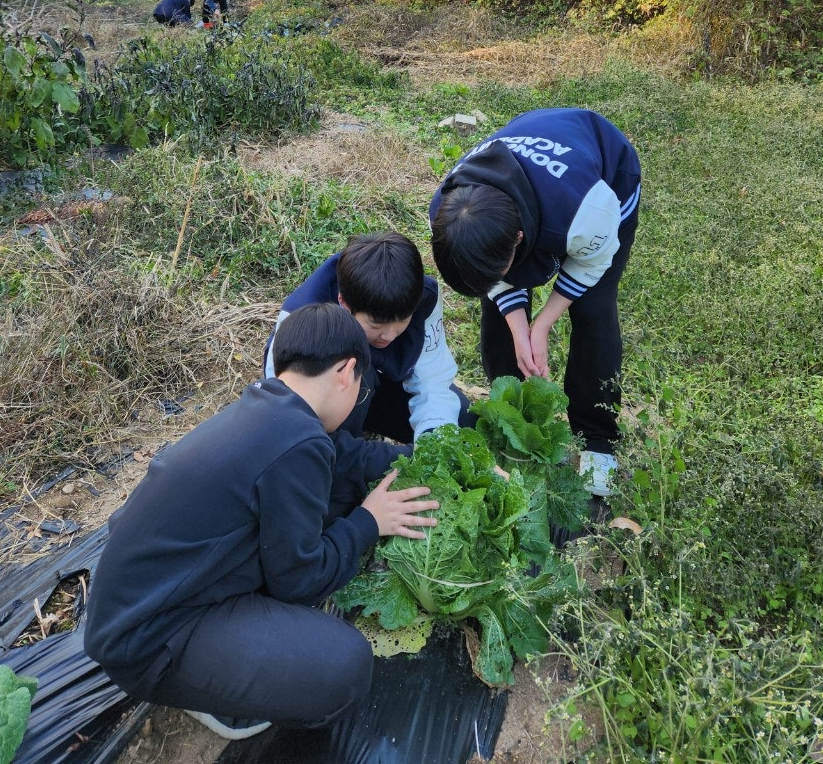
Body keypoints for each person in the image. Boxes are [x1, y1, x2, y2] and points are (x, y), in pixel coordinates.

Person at [83, 303, 438, 741]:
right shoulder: (298, 441)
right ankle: (222, 694)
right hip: (151, 639)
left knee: (335, 494)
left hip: (140, 596)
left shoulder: (273, 409)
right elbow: (300, 581)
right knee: (344, 668)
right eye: (361, 383)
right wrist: (368, 521)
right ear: (347, 370)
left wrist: (436, 460)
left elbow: (348, 457)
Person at [429, 108, 641, 498]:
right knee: (499, 311)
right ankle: (510, 417)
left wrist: (541, 324)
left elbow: (591, 264)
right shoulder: (448, 212)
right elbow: (491, 282)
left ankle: (598, 439)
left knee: (592, 309)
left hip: (607, 174)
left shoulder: (586, 210)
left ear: (520, 238)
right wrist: (517, 323)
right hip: (523, 190)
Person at [265, 232, 474, 445]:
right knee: (359, 385)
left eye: (403, 321)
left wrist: (433, 437)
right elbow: (288, 408)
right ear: (344, 303)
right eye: (376, 325)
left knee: (463, 419)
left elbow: (432, 377)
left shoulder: (421, 296)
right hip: (335, 396)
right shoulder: (302, 318)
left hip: (384, 388)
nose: (390, 335)